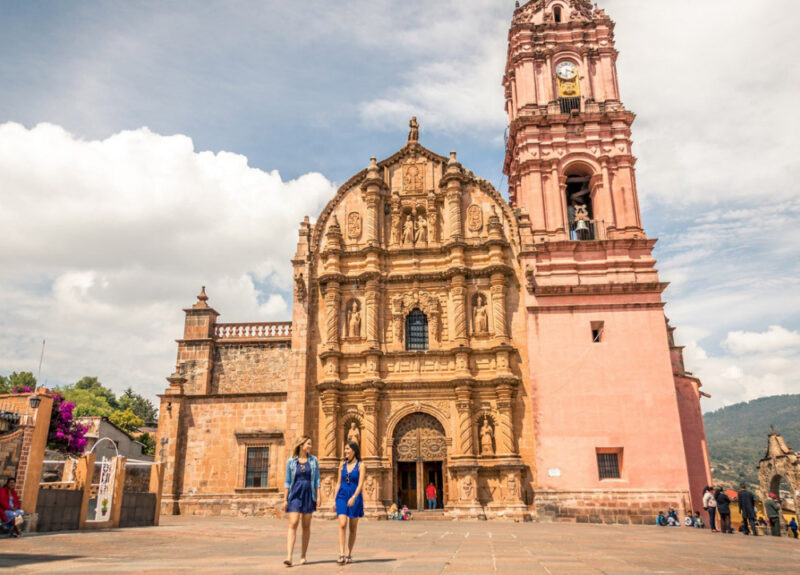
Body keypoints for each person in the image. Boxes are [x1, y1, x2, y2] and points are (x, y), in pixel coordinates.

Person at [283, 436, 320, 567]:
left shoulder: (314, 461)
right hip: (295, 494)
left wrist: (319, 497)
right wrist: (285, 499)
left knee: (306, 526)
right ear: (301, 445)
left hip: (308, 494)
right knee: (293, 523)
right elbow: (287, 481)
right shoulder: (291, 462)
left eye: (310, 444)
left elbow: (317, 480)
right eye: (308, 444)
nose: (310, 446)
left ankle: (303, 555)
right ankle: (289, 556)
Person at [334, 441, 364, 565]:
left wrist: (354, 497)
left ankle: (349, 553)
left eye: (347, 449)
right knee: (342, 523)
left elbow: (361, 484)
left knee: (352, 527)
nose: (345, 451)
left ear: (354, 450)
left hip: (354, 496)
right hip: (342, 495)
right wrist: (334, 500)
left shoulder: (361, 465)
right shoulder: (342, 465)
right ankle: (341, 554)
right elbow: (338, 483)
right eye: (345, 449)